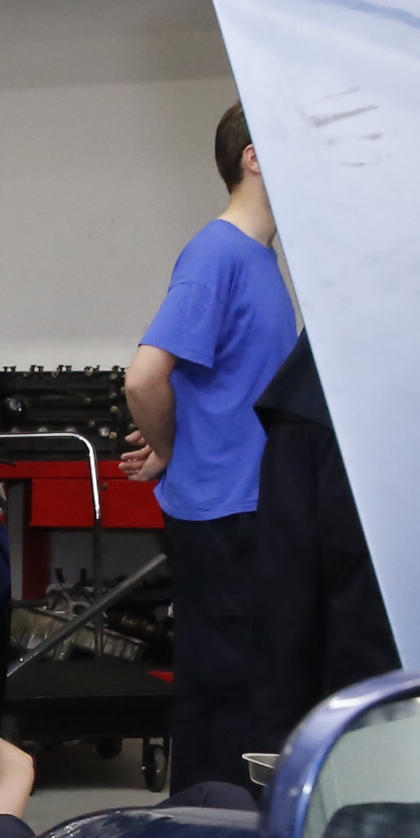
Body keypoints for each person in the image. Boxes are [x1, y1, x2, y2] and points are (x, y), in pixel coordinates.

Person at [120, 103, 303, 795]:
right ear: (253, 157)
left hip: (255, 506)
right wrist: (176, 447)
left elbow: (220, 385)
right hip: (227, 515)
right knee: (222, 697)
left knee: (252, 690)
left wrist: (174, 445)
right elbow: (145, 376)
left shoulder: (260, 259)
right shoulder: (218, 252)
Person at [246, 332, 402, 752]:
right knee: (366, 629)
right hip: (378, 420)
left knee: (287, 619)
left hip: (307, 401)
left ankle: (280, 793)